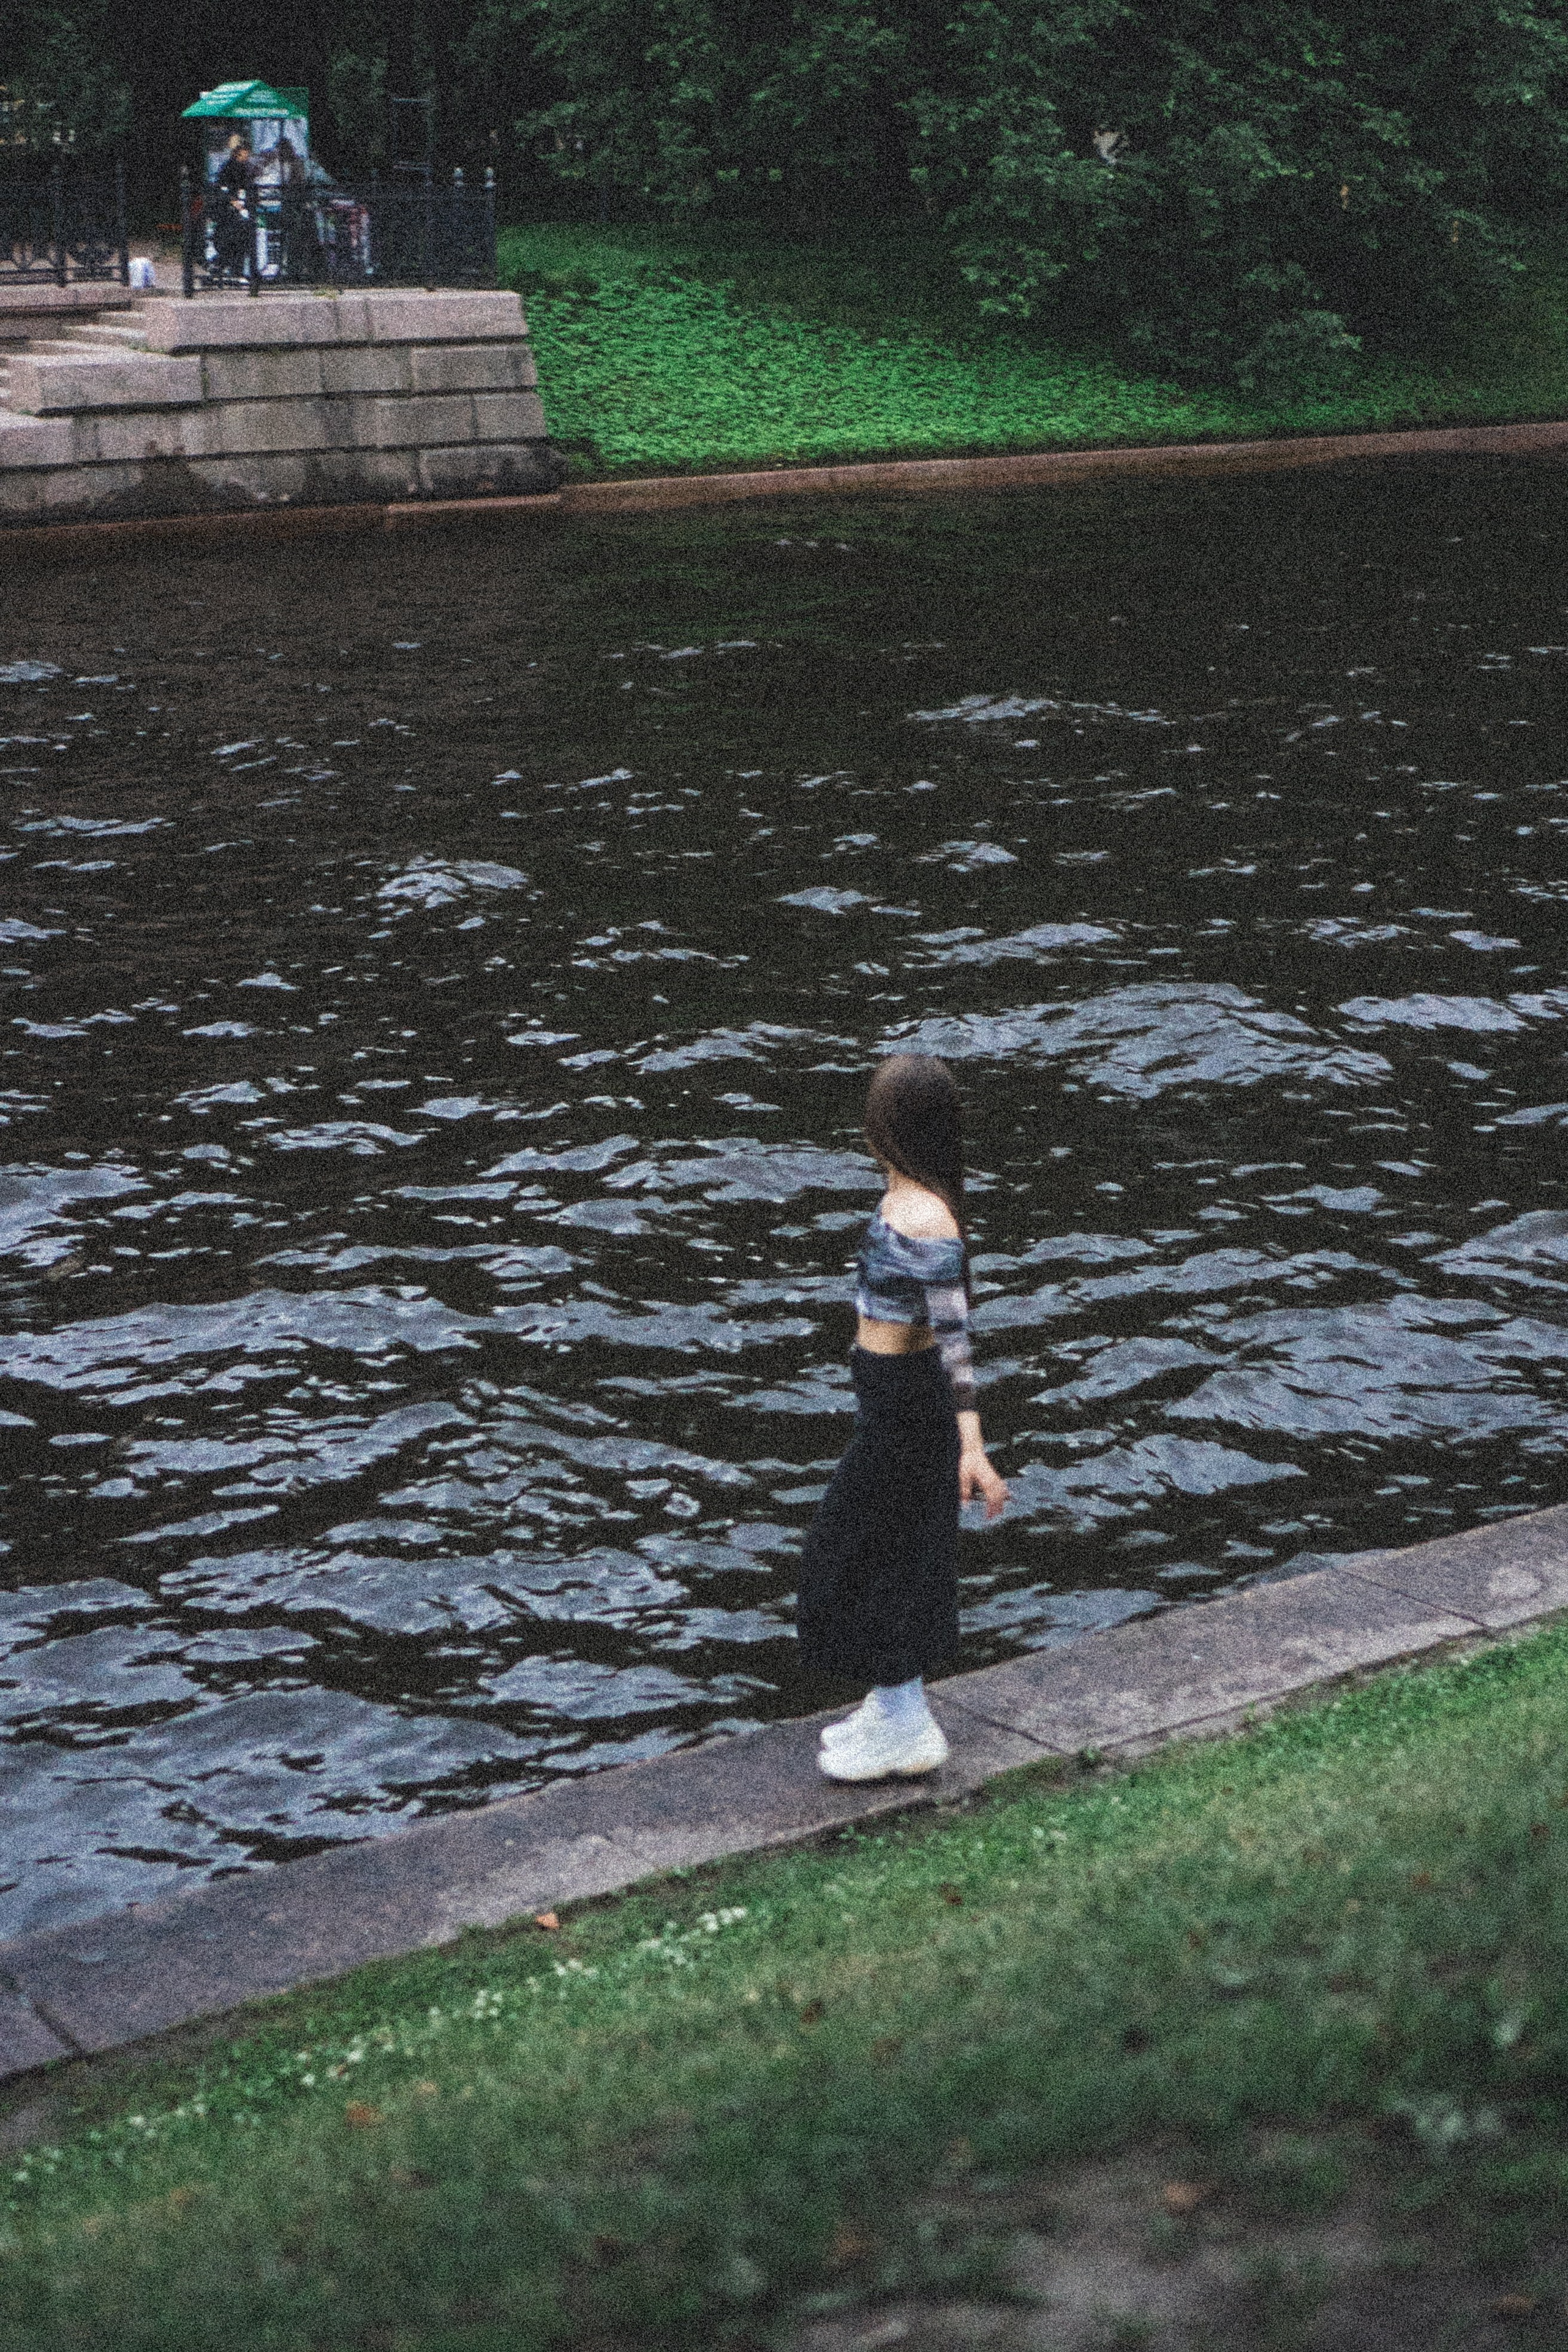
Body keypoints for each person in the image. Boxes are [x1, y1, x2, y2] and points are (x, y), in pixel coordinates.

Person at [797, 1054, 1009, 1781]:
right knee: (887, 1551)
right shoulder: (903, 1196)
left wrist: (970, 1448)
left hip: (907, 1411)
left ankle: (906, 1720)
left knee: (852, 1553)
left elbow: (956, 1344)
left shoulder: (924, 1217)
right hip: (887, 1397)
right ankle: (893, 1706)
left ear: (890, 1127)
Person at [212, 136, 254, 282]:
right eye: (245, 152)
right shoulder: (229, 166)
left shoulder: (244, 167)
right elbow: (221, 187)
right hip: (229, 210)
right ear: (239, 152)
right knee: (233, 235)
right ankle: (225, 264)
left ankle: (235, 268)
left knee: (241, 235)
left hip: (240, 206)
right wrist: (232, 200)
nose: (247, 155)